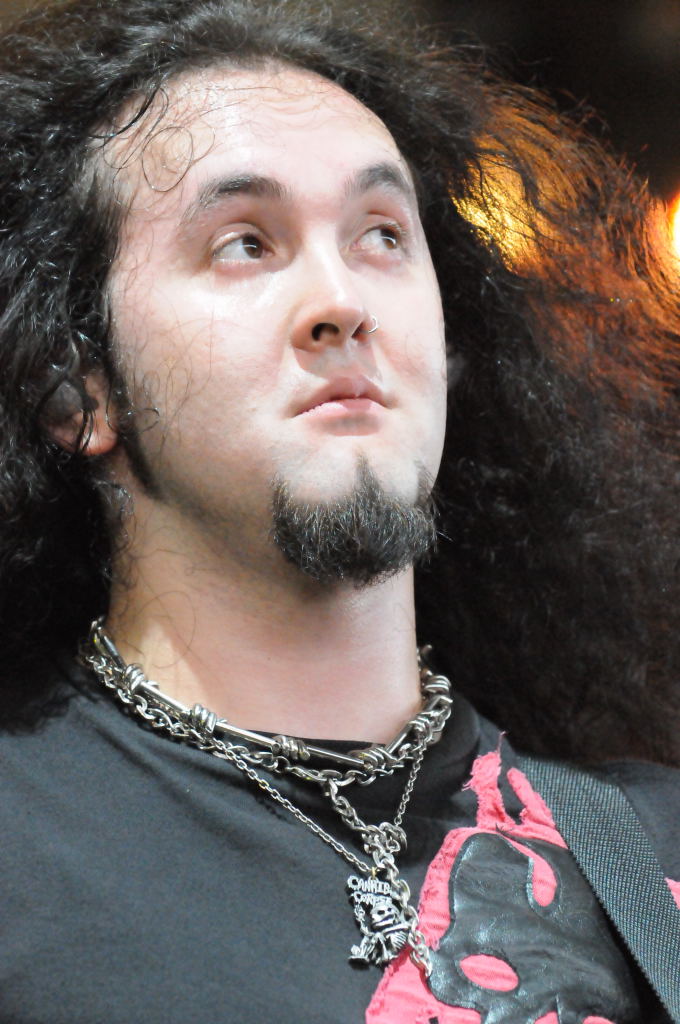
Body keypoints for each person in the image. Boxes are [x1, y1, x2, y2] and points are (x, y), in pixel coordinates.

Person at [0, 0, 679, 1020]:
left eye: (381, 236)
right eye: (243, 243)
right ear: (78, 390)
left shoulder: (645, 844)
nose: (343, 302)